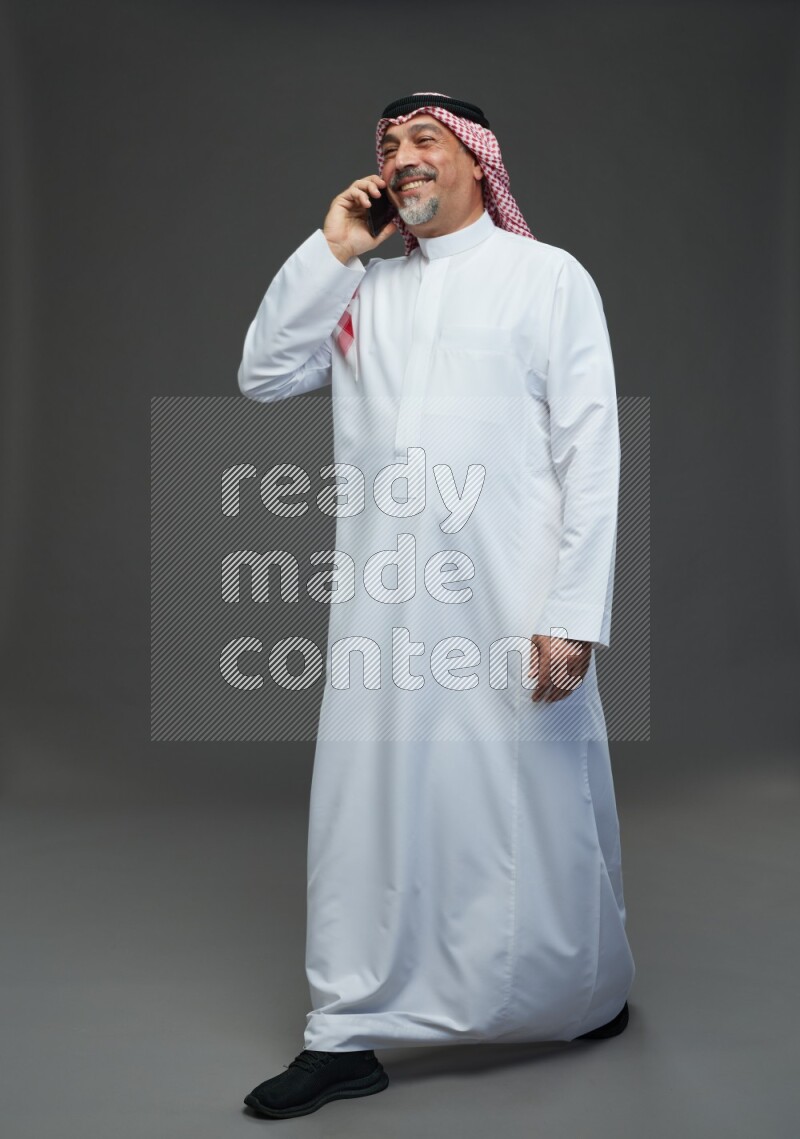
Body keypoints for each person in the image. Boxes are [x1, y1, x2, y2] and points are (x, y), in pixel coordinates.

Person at [238, 92, 635, 1120]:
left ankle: (579, 991)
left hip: (510, 599)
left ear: (475, 162)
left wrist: (572, 609)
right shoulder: (363, 290)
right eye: (385, 146)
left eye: (424, 141)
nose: (401, 158)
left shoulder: (544, 278)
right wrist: (330, 251)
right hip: (382, 606)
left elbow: (588, 450)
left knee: (530, 800)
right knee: (364, 809)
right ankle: (346, 1027)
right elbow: (263, 372)